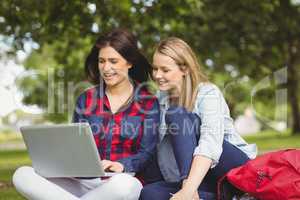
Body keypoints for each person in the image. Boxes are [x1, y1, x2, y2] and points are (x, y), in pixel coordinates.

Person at [13, 29, 160, 200]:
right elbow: (76, 145)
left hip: (122, 180)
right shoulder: (86, 99)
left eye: (113, 61)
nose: (106, 68)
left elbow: (147, 153)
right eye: (102, 61)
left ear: (130, 62)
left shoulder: (148, 102)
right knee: (22, 174)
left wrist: (122, 165)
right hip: (84, 182)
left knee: (125, 186)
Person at [139, 37, 257, 200]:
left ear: (185, 69)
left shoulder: (208, 93)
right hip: (200, 178)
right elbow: (157, 149)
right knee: (149, 194)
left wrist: (188, 187)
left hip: (231, 167)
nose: (157, 75)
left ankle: (196, 192)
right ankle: (213, 196)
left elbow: (210, 143)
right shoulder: (160, 100)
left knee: (177, 115)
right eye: (155, 69)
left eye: (165, 70)